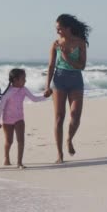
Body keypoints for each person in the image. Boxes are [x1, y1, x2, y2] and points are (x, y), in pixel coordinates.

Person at [43, 14, 91, 164]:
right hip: (59, 79)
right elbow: (51, 66)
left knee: (75, 115)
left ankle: (69, 139)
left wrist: (65, 55)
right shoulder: (56, 44)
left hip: (75, 79)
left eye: (59, 29)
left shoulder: (80, 43)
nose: (57, 31)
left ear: (68, 28)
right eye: (56, 29)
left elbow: (81, 66)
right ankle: (59, 154)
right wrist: (47, 86)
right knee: (59, 117)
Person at [0, 68, 47, 169]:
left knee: (21, 140)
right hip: (7, 120)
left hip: (19, 118)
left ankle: (19, 162)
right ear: (15, 80)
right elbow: (1, 107)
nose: (25, 81)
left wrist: (45, 96)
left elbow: (34, 99)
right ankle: (6, 157)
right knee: (9, 141)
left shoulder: (24, 89)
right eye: (23, 79)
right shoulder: (8, 92)